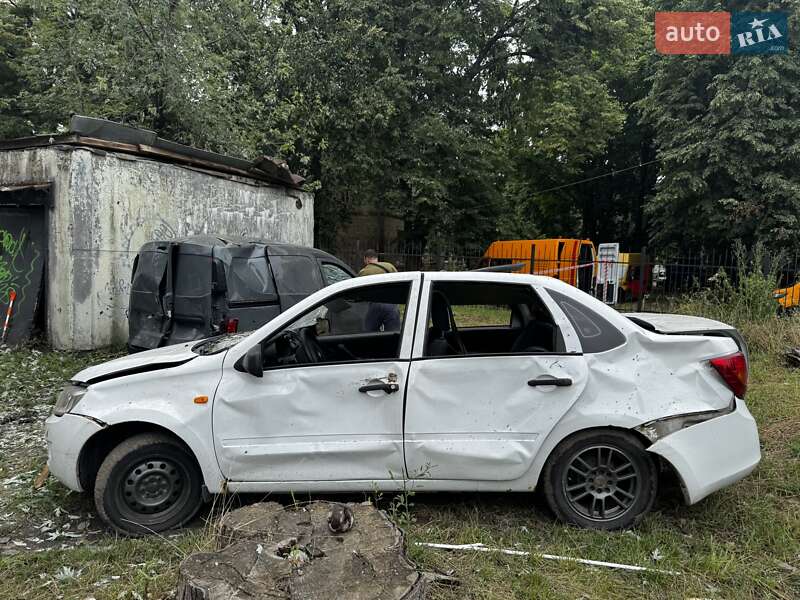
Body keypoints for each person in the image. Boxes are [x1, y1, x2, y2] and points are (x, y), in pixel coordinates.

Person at [357, 249, 400, 331]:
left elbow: (359, 292)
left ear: (366, 259)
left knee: (369, 334)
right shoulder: (389, 266)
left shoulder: (363, 272)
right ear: (376, 258)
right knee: (394, 335)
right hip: (391, 305)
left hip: (375, 306)